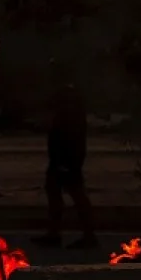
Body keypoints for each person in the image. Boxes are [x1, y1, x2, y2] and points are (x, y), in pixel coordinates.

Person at [33, 81, 97, 249]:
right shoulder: (71, 109)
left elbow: (70, 140)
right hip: (61, 160)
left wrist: (66, 163)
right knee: (56, 196)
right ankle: (55, 234)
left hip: (66, 162)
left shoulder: (70, 112)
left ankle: (88, 236)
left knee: (76, 196)